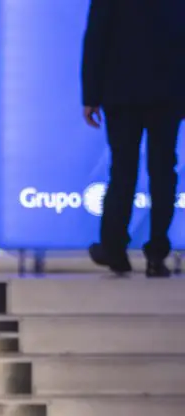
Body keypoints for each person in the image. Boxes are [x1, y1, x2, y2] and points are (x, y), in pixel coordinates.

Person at [82, 0, 185, 277]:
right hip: (168, 92)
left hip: (122, 90)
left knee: (123, 170)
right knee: (163, 171)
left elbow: (96, 37)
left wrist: (90, 95)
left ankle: (114, 249)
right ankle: (156, 255)